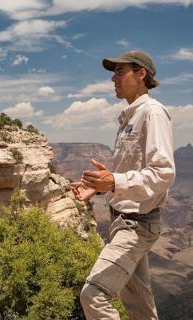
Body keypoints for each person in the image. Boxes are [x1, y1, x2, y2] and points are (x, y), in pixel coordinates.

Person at [71, 50, 175, 320]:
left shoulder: (153, 113)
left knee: (93, 295)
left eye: (120, 71)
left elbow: (163, 173)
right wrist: (101, 186)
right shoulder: (129, 117)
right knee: (140, 309)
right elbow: (135, 170)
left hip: (137, 224)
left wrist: (114, 181)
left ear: (141, 74)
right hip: (122, 221)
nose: (113, 79)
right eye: (113, 73)